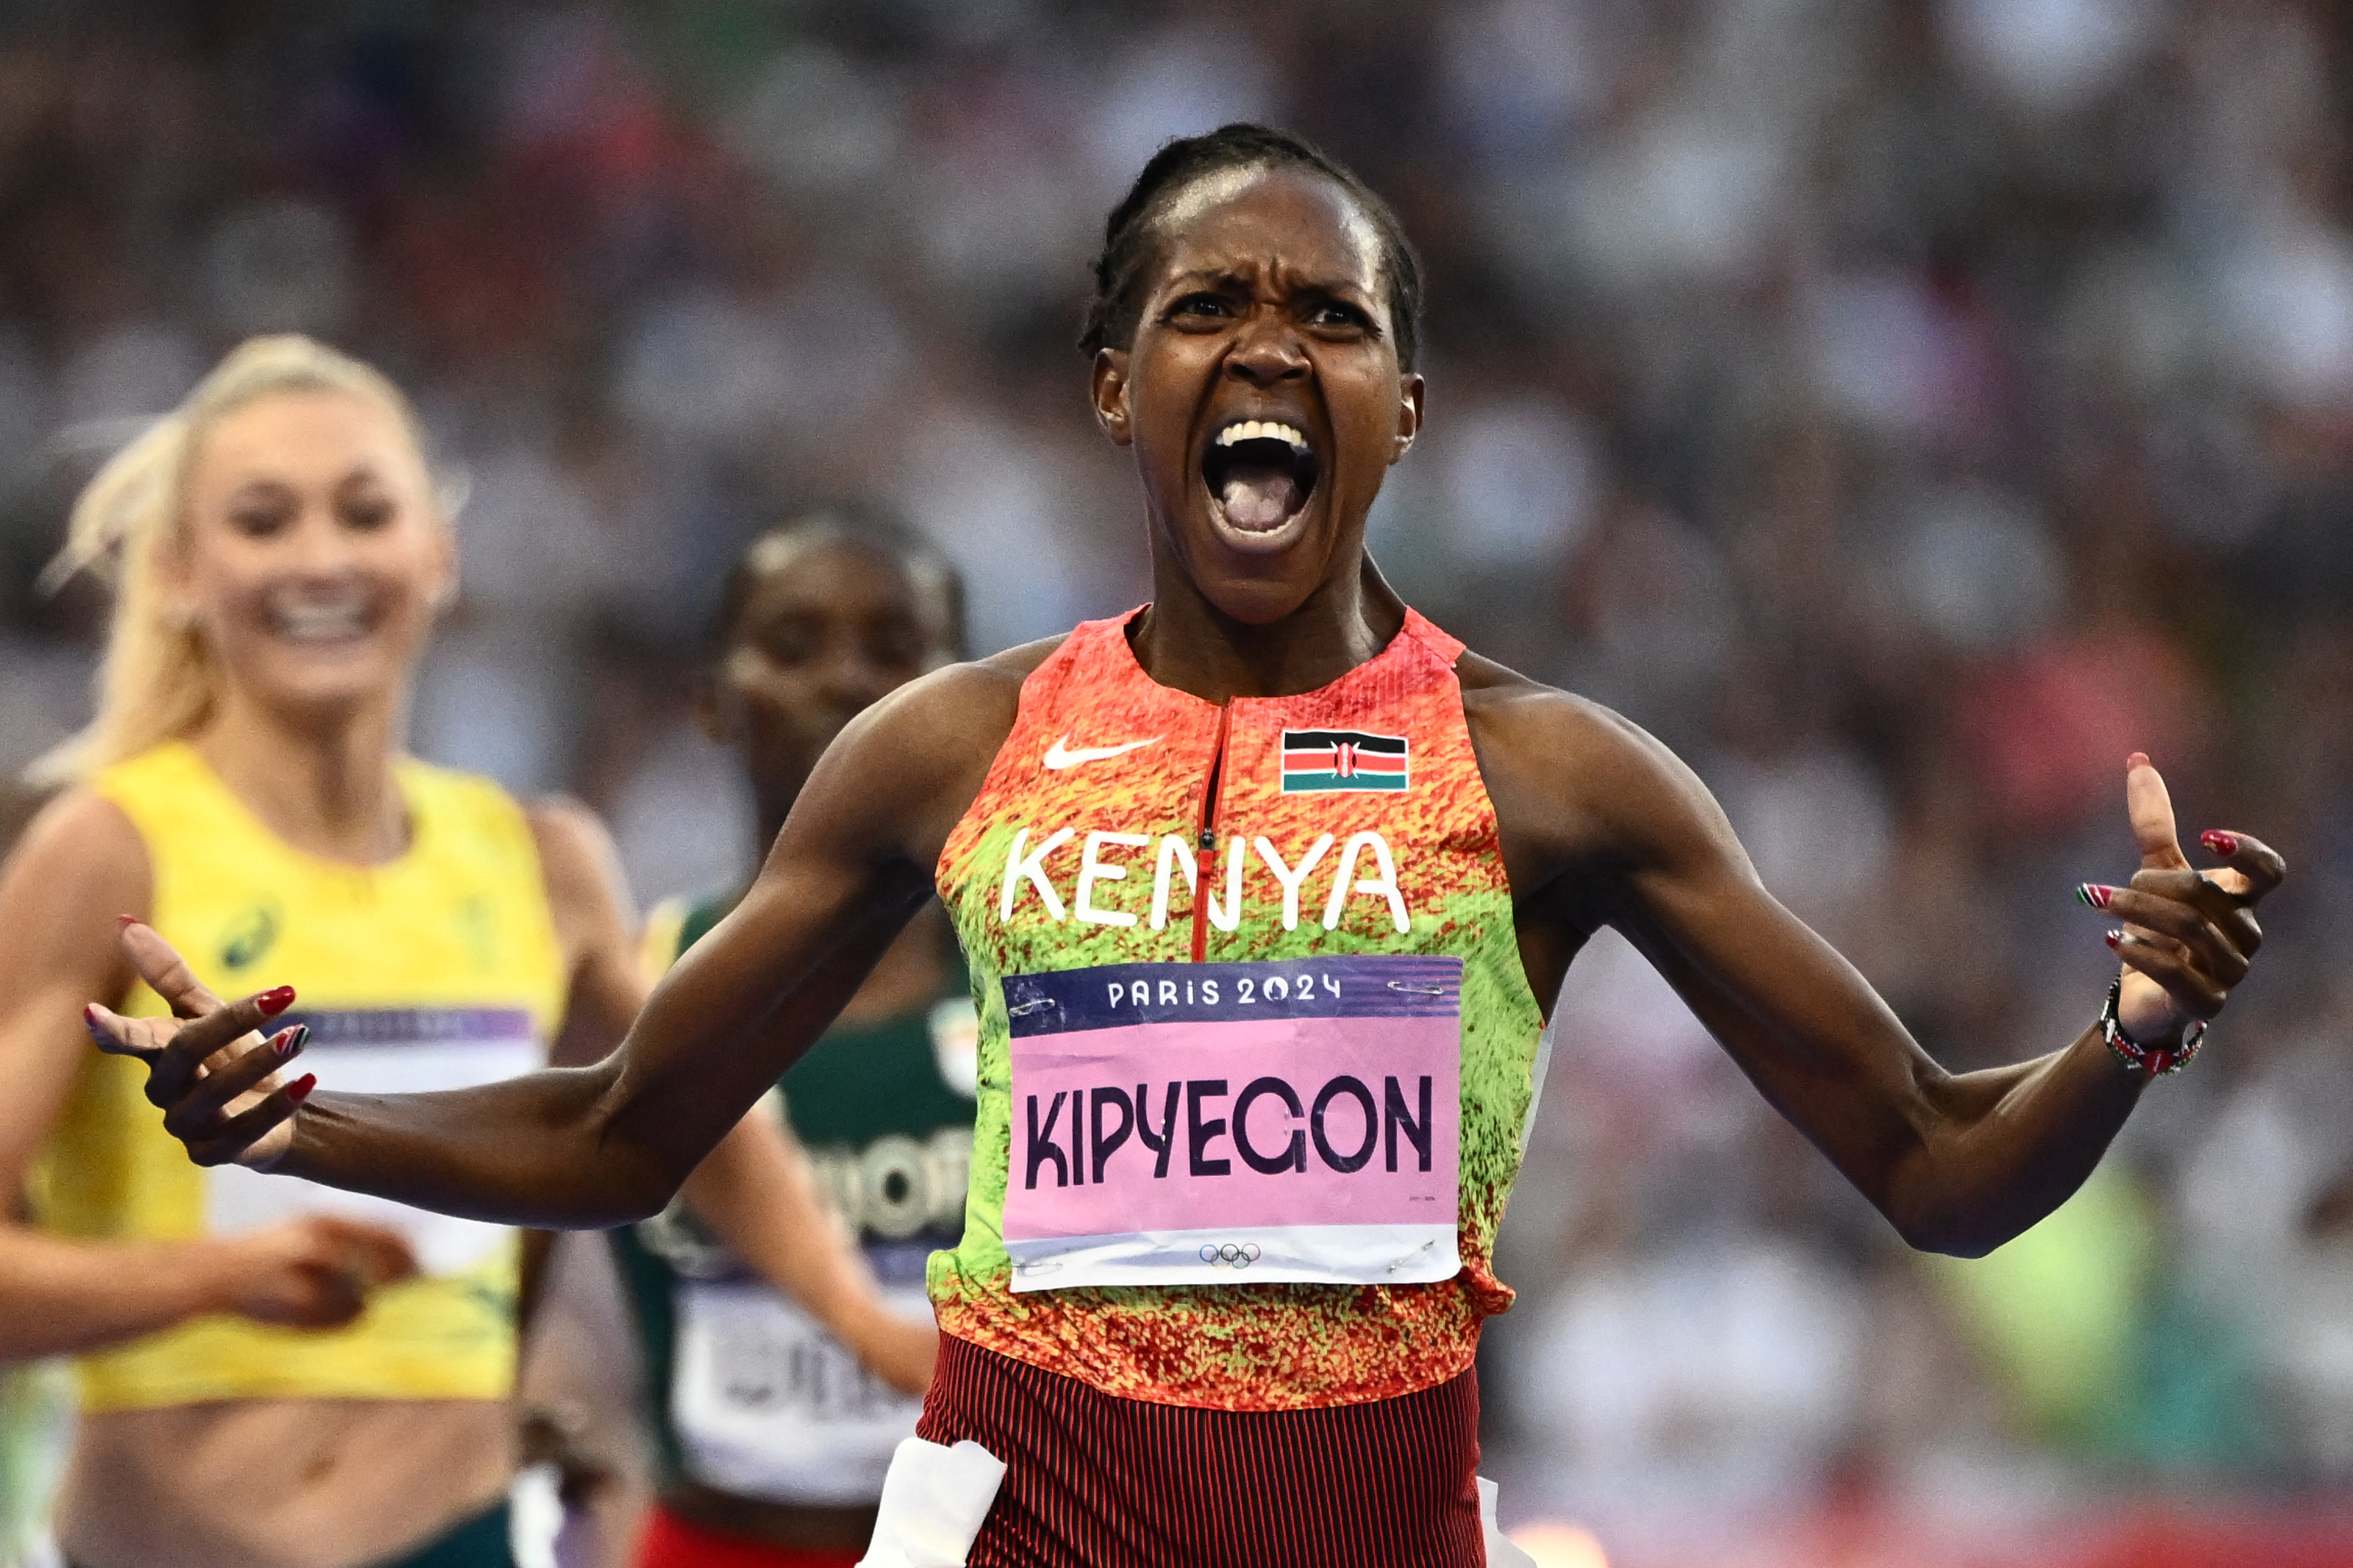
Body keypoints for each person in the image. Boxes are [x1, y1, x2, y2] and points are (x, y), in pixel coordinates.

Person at [93, 128, 2285, 1566]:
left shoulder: (1557, 776)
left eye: (1328, 315)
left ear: (1404, 402)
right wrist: (306, 1123)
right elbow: (619, 1126)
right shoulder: (939, 753)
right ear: (1111, 380)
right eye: (1207, 307)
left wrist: (2129, 1027)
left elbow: (1933, 1160)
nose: (1268, 345)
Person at [0, 335, 902, 1568]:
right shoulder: (109, 853)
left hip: (463, 1537)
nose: (320, 558)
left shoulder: (535, 862)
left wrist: (862, 1319)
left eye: (364, 513)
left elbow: (696, 1115)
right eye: (264, 522)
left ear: (438, 551)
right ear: (176, 571)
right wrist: (213, 1280)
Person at [614, 510, 973, 1568]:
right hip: (719, 1543)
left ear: (976, 704)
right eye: (791, 644)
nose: (846, 682)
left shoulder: (1047, 986)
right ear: (711, 700)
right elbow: (505, 1293)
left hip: (994, 1541)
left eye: (896, 650)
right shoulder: (635, 981)